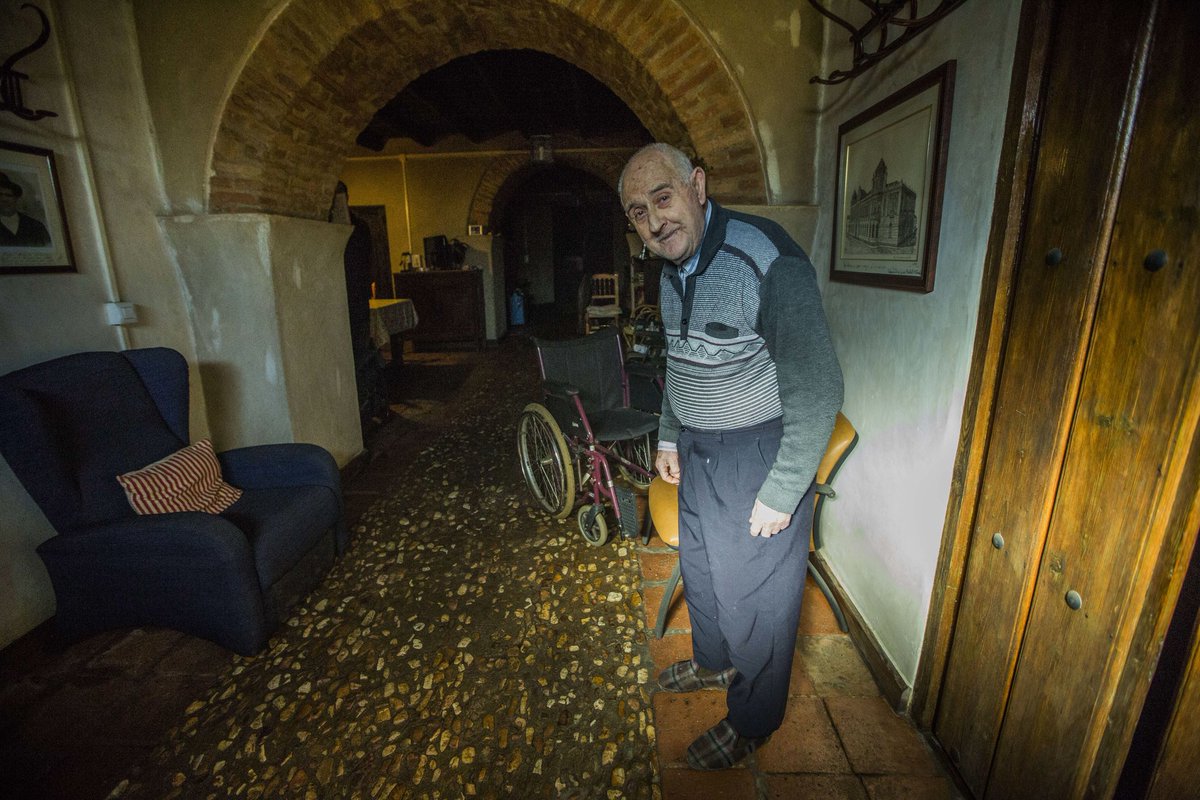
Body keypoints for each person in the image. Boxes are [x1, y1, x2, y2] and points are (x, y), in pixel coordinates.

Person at [618, 143, 843, 769]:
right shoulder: (671, 267)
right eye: (638, 212)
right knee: (706, 574)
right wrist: (669, 433)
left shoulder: (766, 257)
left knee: (759, 604)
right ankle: (713, 666)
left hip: (759, 453)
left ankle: (752, 721)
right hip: (696, 450)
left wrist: (785, 486)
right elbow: (680, 359)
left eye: (663, 200)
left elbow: (819, 384)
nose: (654, 222)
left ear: (696, 185)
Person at [0, 173, 51, 247]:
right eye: (0, 195)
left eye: (9, 195)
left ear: (16, 198)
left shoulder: (36, 226)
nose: (4, 199)